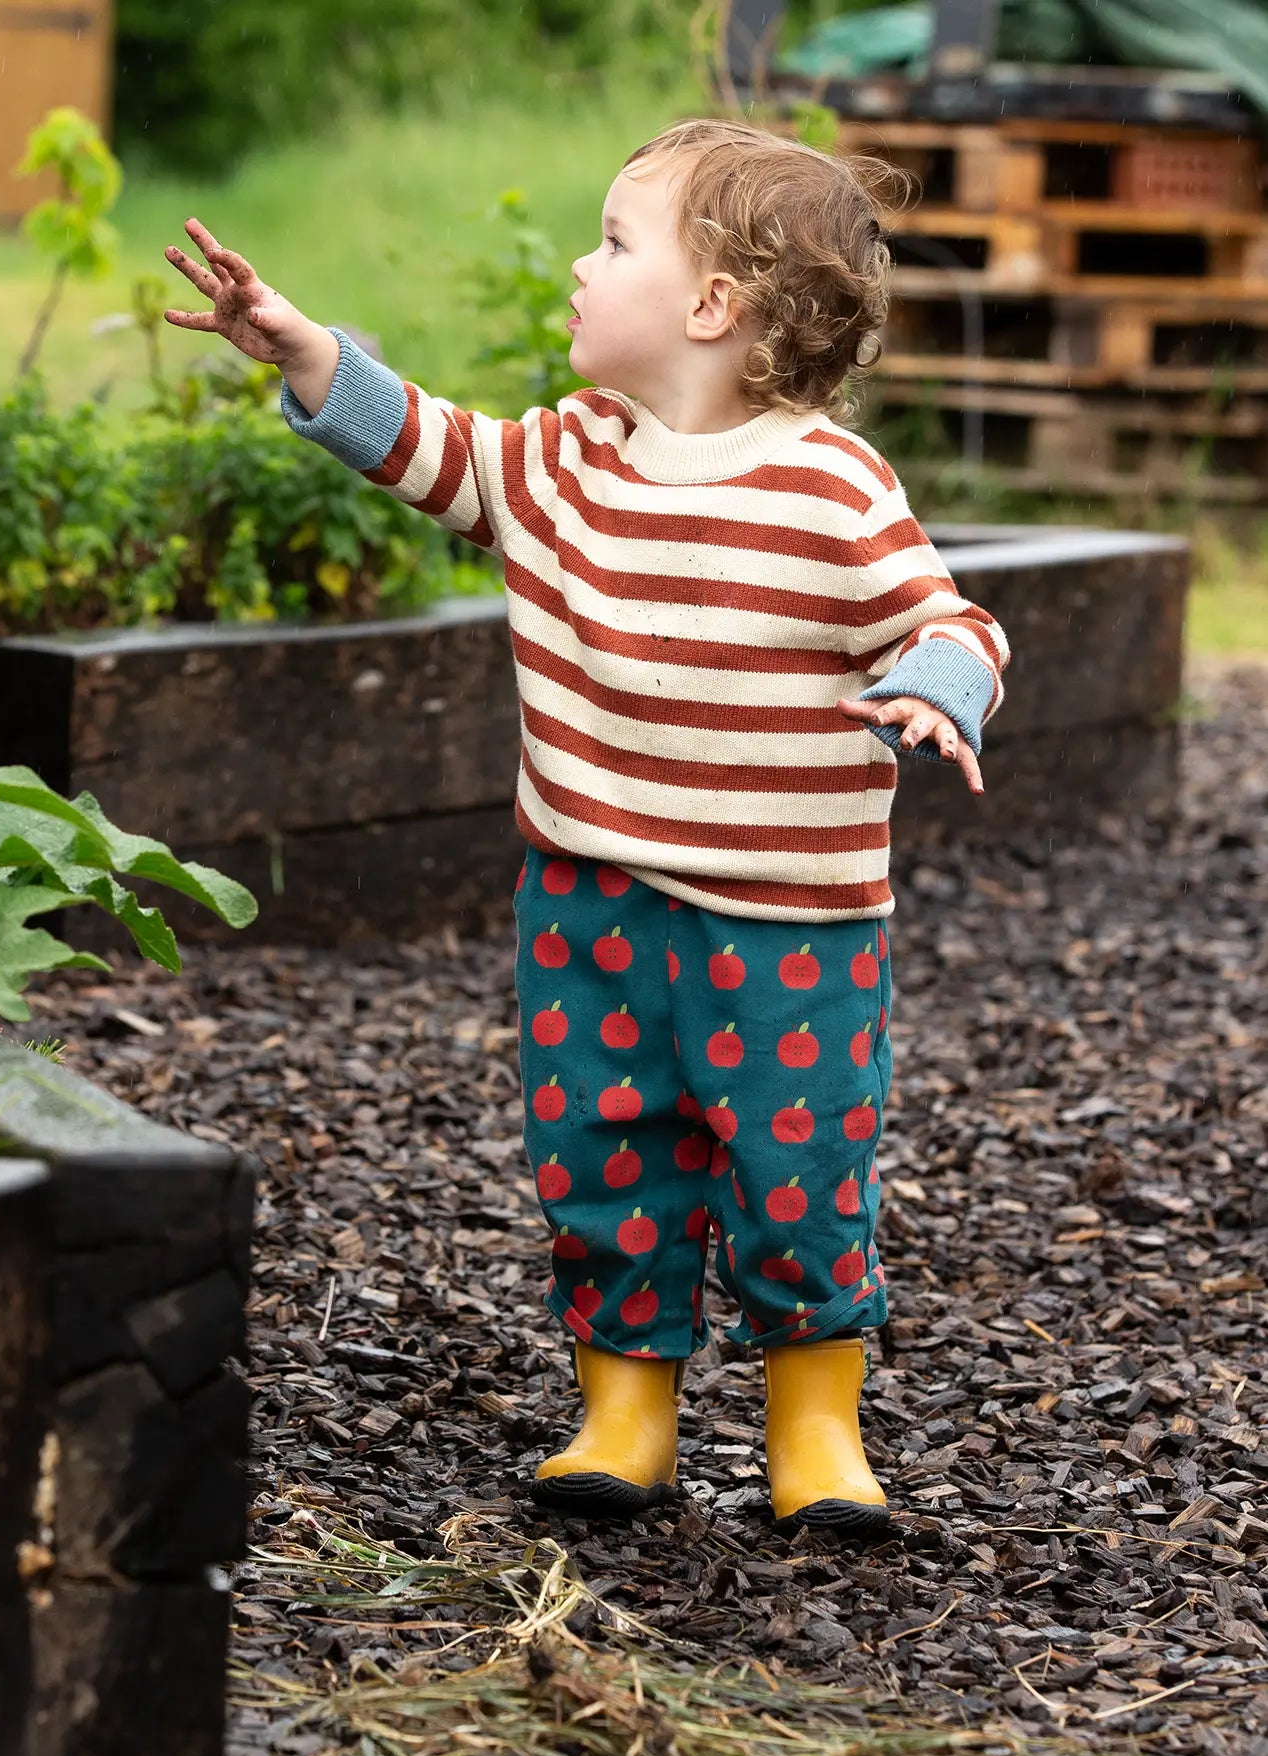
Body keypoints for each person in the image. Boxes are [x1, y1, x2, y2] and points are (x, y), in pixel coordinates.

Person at [163, 116, 1009, 1535]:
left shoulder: (827, 488)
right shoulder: (563, 462)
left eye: (613, 241)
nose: (578, 261)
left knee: (795, 1170)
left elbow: (951, 620)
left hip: (786, 926)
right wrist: (307, 352)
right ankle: (625, 1414)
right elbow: (435, 448)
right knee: (604, 1151)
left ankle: (815, 1428)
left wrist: (933, 688)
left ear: (709, 306)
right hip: (592, 898)